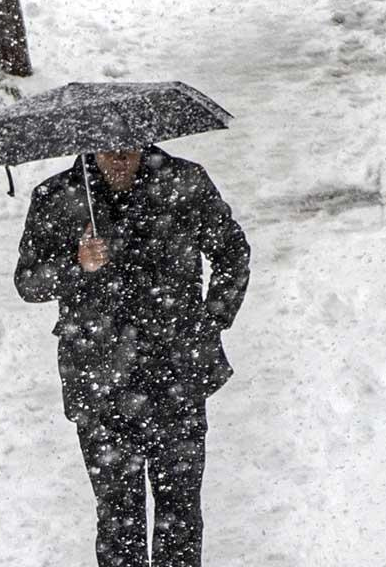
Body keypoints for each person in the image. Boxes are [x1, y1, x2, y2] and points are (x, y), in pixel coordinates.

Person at [14, 146, 251, 567]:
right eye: (107, 150)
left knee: (179, 512)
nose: (119, 158)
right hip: (98, 379)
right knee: (118, 517)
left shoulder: (184, 182)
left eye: (128, 148)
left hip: (177, 371)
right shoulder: (58, 195)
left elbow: (232, 253)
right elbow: (28, 282)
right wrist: (76, 264)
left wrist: (210, 321)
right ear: (89, 147)